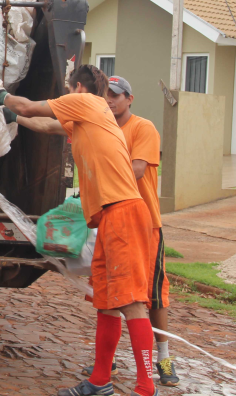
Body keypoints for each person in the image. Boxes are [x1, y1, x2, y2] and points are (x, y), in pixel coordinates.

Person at [0, 65, 157, 396]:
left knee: (132, 301)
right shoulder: (87, 117)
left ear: (77, 87)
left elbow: (30, 107)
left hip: (123, 213)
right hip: (107, 217)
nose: (64, 93)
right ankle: (100, 382)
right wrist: (11, 115)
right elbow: (45, 123)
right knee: (107, 303)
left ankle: (147, 388)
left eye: (66, 87)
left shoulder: (88, 102)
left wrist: (2, 96)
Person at [81, 76, 176, 387]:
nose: (110, 100)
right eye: (106, 95)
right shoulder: (104, 128)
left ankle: (164, 359)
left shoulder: (142, 128)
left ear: (129, 99)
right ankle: (106, 366)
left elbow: (136, 169)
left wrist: (101, 176)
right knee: (109, 295)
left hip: (144, 224)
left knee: (152, 296)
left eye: (116, 95)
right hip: (112, 221)